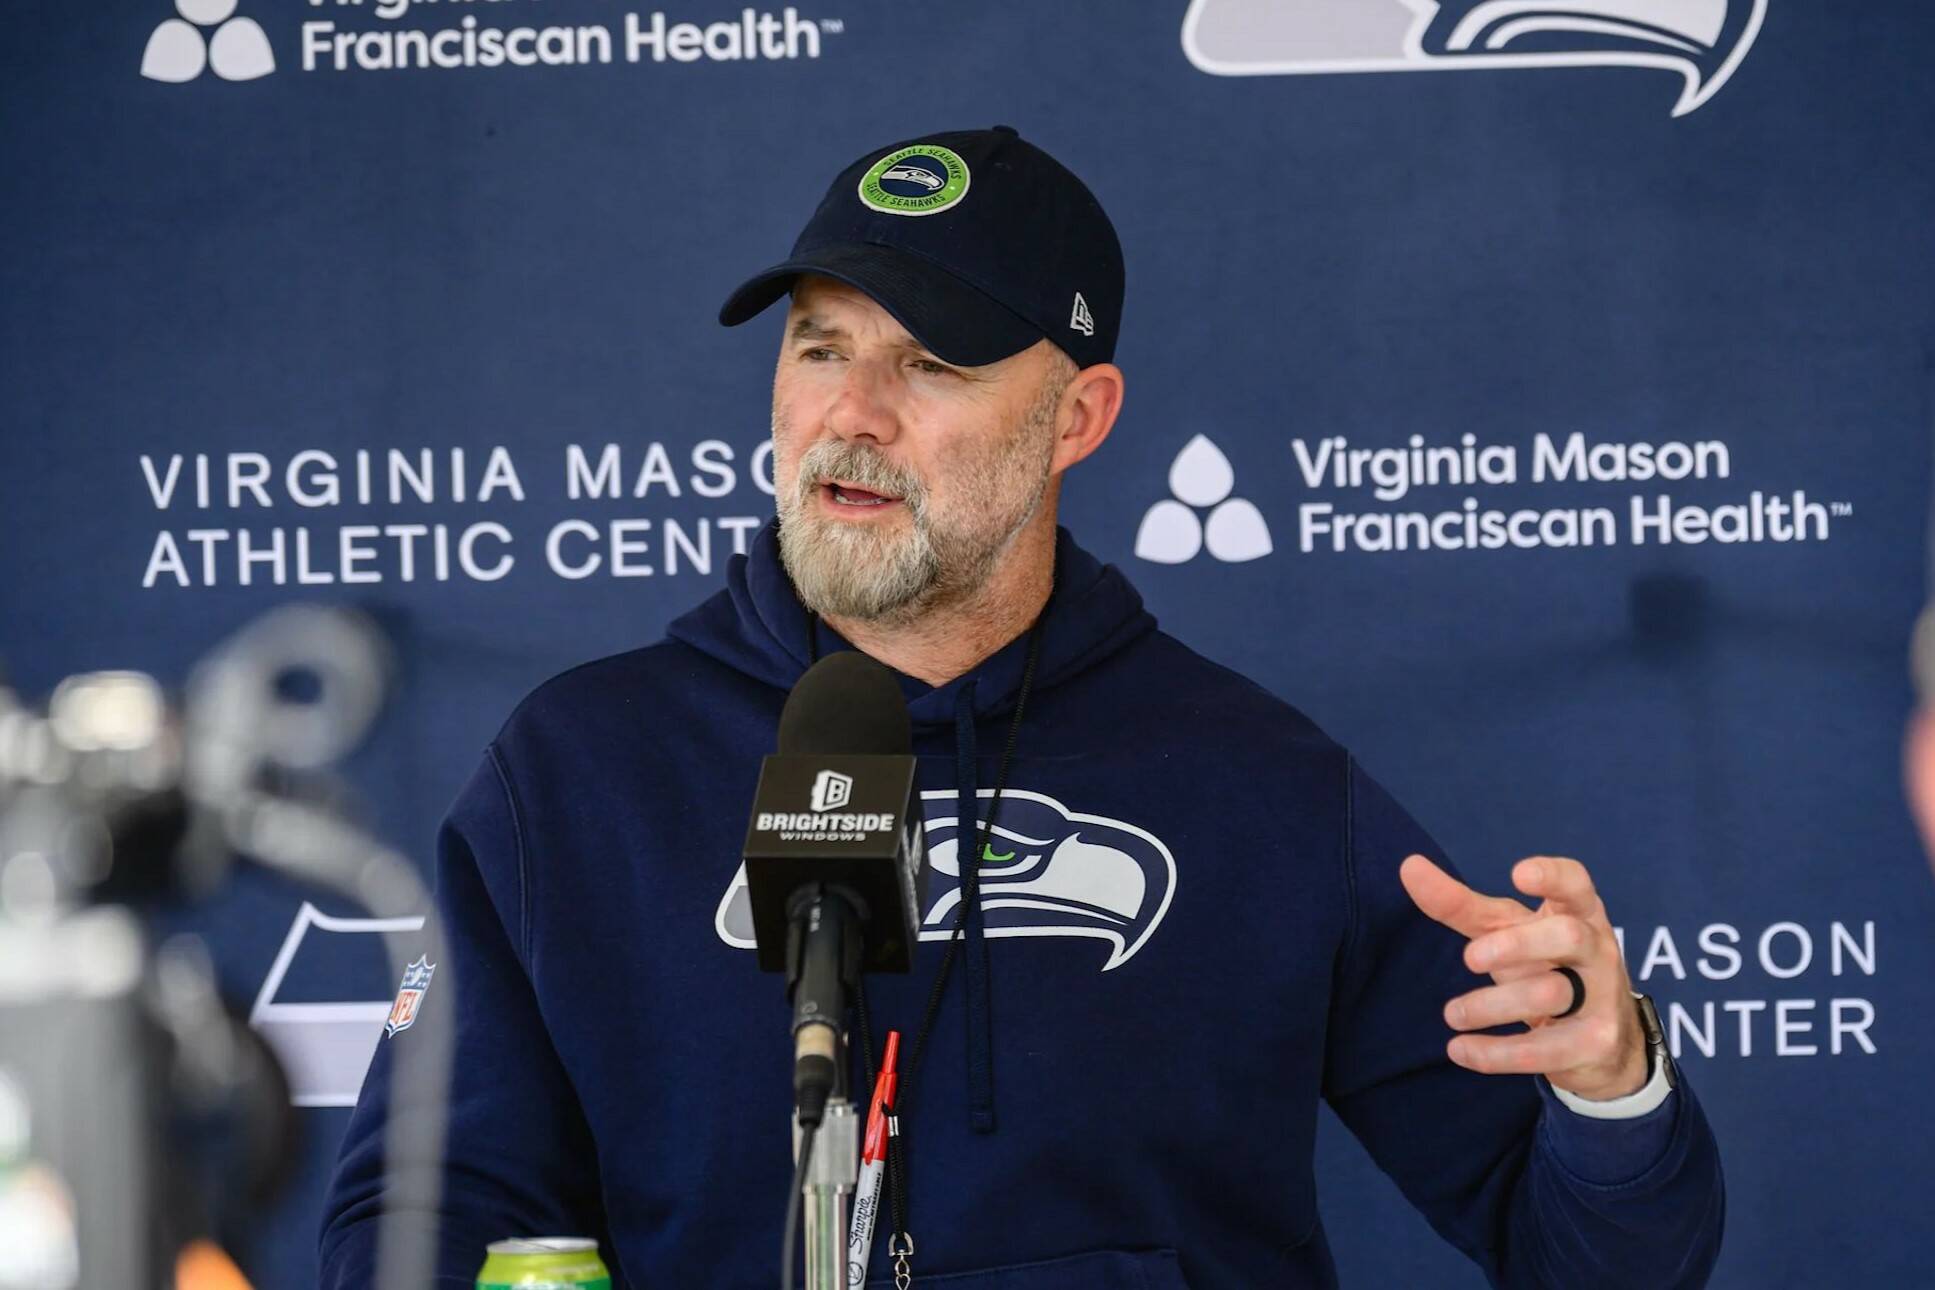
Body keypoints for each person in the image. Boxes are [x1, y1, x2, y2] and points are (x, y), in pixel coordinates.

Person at [319, 125, 1723, 1288]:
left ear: (1080, 417)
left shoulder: (1262, 782)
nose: (852, 412)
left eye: (930, 362)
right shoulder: (577, 772)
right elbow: (416, 1222)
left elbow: (1604, 1257)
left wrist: (1612, 1082)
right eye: (820, 347)